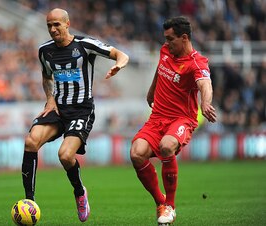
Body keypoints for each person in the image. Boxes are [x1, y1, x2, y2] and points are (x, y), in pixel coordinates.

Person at [21, 8, 129, 223]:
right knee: (31, 141)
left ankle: (80, 192)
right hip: (58, 109)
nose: (53, 29)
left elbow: (121, 54)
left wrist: (118, 65)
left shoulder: (85, 45)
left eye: (57, 25)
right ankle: (29, 202)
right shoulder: (45, 51)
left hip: (82, 110)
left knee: (65, 155)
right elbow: (46, 77)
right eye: (49, 26)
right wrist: (50, 98)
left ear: (67, 24)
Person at [130, 16, 216, 225]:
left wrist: (205, 103)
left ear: (184, 38)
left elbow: (205, 84)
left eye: (170, 39)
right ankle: (161, 203)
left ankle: (170, 205)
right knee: (136, 154)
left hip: (181, 119)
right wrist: (151, 92)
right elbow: (160, 71)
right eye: (165, 39)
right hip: (157, 116)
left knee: (166, 146)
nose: (166, 43)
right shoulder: (166, 51)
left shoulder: (196, 62)